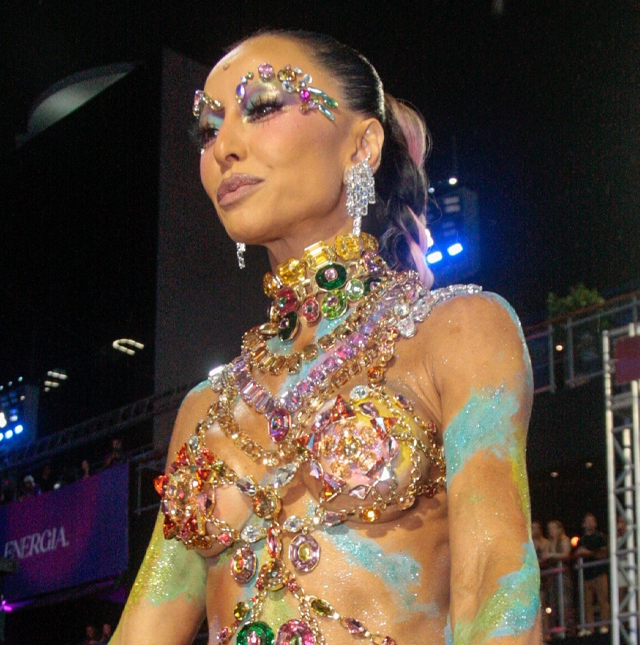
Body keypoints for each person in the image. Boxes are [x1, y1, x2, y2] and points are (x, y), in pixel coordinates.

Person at [111, 30, 539, 645]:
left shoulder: (460, 331)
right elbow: (141, 632)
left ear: (362, 145)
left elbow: (497, 584)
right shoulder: (206, 411)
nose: (223, 147)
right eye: (207, 130)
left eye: (262, 106)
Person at [574, 513, 610, 635]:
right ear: (583, 524)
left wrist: (588, 553)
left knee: (602, 600)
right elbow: (576, 554)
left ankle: (605, 625)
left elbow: (604, 553)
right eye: (587, 521)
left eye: (592, 521)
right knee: (587, 603)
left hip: (599, 573)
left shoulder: (601, 537)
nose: (590, 523)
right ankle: (589, 628)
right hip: (586, 575)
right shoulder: (581, 540)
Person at [545, 520, 573, 636]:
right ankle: (555, 629)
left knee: (565, 601)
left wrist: (552, 555)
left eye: (553, 528)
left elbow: (566, 554)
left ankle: (568, 628)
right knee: (553, 601)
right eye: (549, 529)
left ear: (559, 529)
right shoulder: (549, 542)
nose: (551, 531)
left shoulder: (564, 540)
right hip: (552, 576)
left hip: (563, 574)